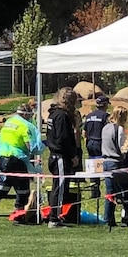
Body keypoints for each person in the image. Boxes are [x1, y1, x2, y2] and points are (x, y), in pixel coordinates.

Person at [0, 103, 44, 226]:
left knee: (2, 189)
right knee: (23, 190)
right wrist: (44, 145)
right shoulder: (25, 126)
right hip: (16, 159)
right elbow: (32, 148)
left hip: (1, 159)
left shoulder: (9, 123)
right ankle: (19, 216)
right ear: (27, 115)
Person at [45, 87, 80, 229]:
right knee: (59, 188)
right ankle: (54, 218)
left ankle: (56, 216)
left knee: (59, 187)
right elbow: (63, 139)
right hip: (60, 156)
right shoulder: (61, 116)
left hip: (56, 155)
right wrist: (72, 155)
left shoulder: (53, 115)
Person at [101, 105, 128, 227]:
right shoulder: (120, 129)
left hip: (105, 161)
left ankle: (109, 218)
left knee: (109, 191)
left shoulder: (105, 128)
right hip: (116, 162)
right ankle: (112, 218)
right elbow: (122, 147)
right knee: (120, 191)